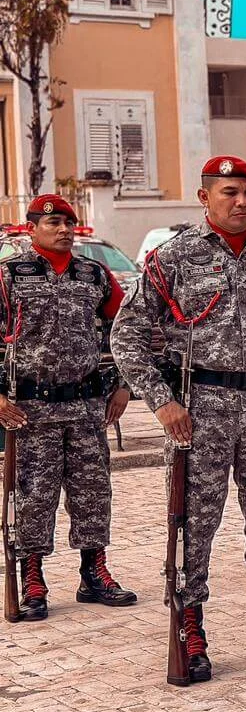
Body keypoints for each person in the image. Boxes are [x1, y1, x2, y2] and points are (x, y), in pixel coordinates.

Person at [111, 155, 246, 681]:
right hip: (198, 410)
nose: (241, 202)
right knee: (193, 526)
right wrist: (161, 401)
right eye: (229, 192)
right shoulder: (173, 257)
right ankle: (191, 631)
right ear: (204, 197)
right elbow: (126, 335)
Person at [0, 195, 134, 622]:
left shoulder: (93, 274)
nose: (63, 229)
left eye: (69, 222)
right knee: (34, 496)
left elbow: (125, 327)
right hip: (31, 409)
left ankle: (94, 572)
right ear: (32, 227)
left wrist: (122, 385)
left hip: (87, 405)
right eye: (53, 222)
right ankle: (33, 577)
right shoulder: (8, 276)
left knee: (93, 492)